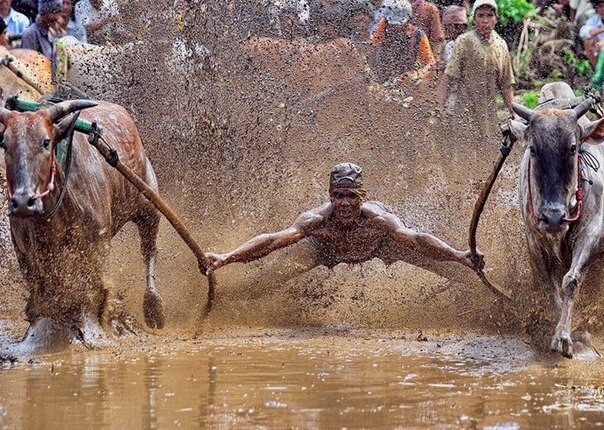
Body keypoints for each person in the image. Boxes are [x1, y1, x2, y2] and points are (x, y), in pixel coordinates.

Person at [205, 163, 483, 275]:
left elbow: (417, 239)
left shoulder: (378, 221)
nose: (345, 204)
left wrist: (459, 255)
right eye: (339, 196)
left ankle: (479, 283)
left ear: (363, 198)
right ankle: (232, 300)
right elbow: (274, 240)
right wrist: (226, 257)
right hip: (324, 250)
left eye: (352, 197)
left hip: (379, 246)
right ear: (330, 196)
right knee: (270, 279)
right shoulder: (316, 221)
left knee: (446, 266)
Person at [440, 0, 515, 139]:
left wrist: (513, 112)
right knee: (464, 154)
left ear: (496, 19)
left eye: (490, 15)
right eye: (480, 16)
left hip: (489, 113)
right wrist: (440, 107)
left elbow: (506, 85)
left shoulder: (501, 45)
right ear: (474, 20)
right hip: (464, 111)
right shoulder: (464, 41)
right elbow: (449, 76)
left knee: (489, 154)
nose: (485, 20)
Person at [370, 0, 436, 83]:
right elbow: (372, 51)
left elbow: (431, 64)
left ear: (409, 20)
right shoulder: (382, 28)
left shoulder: (418, 35)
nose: (396, 27)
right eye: (393, 24)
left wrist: (418, 76)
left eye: (400, 24)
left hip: (408, 81)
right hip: (384, 76)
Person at [21, 0, 65, 74]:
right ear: (47, 13)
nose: (58, 18)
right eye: (55, 13)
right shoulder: (31, 34)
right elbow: (27, 66)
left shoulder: (51, 33)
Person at [580, 0, 604, 67]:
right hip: (597, 51)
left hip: (599, 47)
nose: (603, 9)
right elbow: (583, 32)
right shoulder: (594, 19)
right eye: (600, 6)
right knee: (589, 40)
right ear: (596, 8)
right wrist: (601, 30)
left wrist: (598, 46)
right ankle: (595, 68)